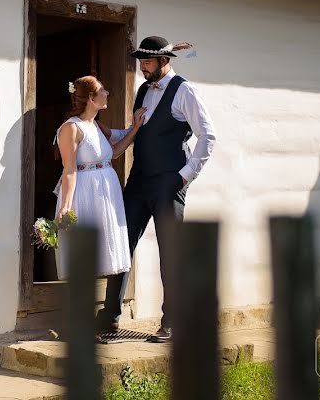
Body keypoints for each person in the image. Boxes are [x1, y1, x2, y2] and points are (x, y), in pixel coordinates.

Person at [96, 36, 216, 343]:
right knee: (121, 244)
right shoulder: (143, 90)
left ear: (164, 61)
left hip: (169, 181)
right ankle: (109, 317)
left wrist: (184, 176)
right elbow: (140, 132)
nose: (142, 67)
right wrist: (110, 132)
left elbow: (207, 136)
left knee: (170, 252)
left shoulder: (184, 91)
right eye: (140, 62)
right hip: (138, 180)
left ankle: (172, 322)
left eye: (147, 62)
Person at [53, 76, 147, 280]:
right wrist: (66, 206)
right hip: (86, 193)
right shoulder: (72, 128)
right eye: (102, 90)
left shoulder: (96, 125)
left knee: (103, 248)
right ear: (91, 99)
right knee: (85, 251)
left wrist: (136, 129)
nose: (107, 93)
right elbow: (69, 169)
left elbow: (113, 153)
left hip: (105, 193)